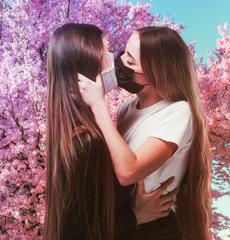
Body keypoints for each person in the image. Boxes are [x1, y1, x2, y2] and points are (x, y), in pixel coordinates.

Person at [43, 23, 177, 240]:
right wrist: (135, 217)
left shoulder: (76, 134)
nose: (115, 58)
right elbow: (75, 234)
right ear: (88, 66)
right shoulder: (88, 142)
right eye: (106, 50)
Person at [78, 26, 212, 240]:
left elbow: (128, 172)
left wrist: (98, 105)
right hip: (130, 222)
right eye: (123, 53)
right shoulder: (126, 109)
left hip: (156, 230)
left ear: (158, 73)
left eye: (130, 62)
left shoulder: (178, 112)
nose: (119, 63)